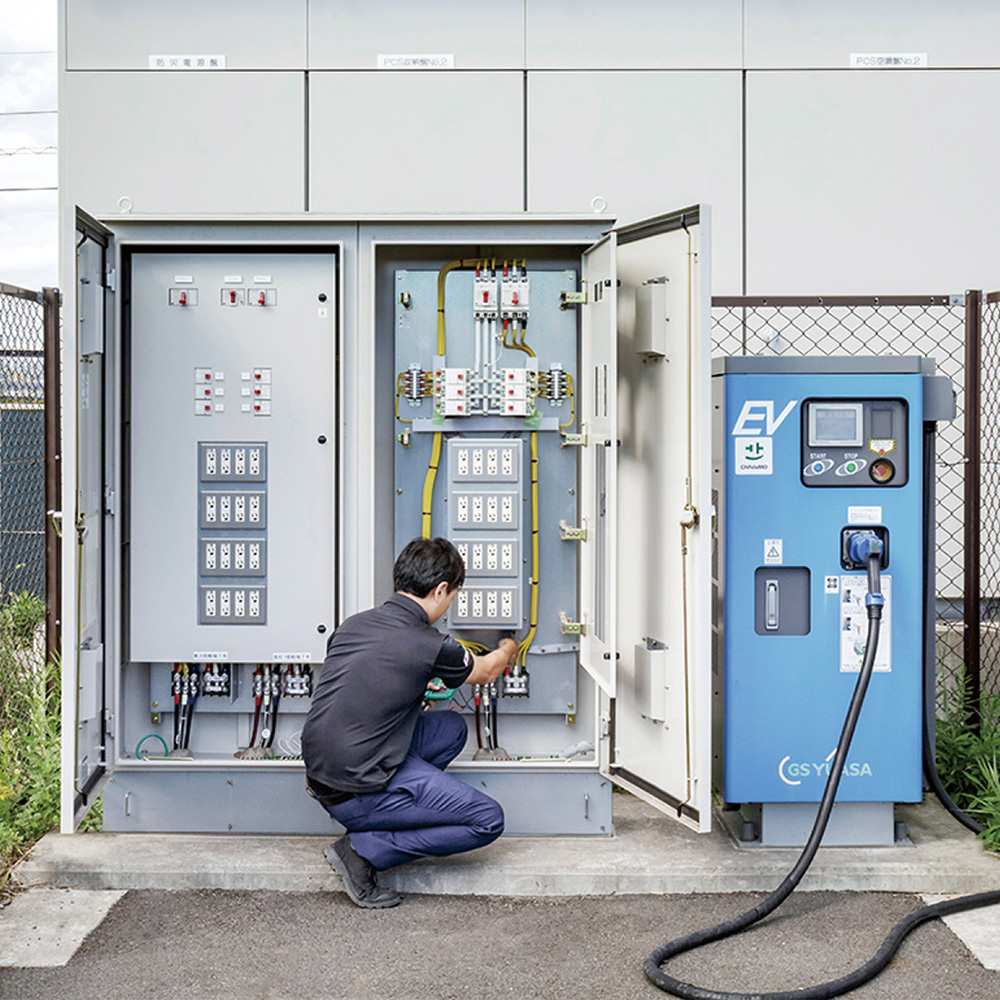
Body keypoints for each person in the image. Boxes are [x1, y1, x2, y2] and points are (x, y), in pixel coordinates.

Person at [302, 536, 517, 908]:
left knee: (450, 730)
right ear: (441, 590)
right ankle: (364, 849)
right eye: (452, 597)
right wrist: (509, 643)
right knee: (487, 820)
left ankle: (397, 806)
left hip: (323, 769)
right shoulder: (428, 643)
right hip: (354, 786)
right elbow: (486, 672)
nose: (449, 606)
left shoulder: (353, 625)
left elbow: (365, 681)